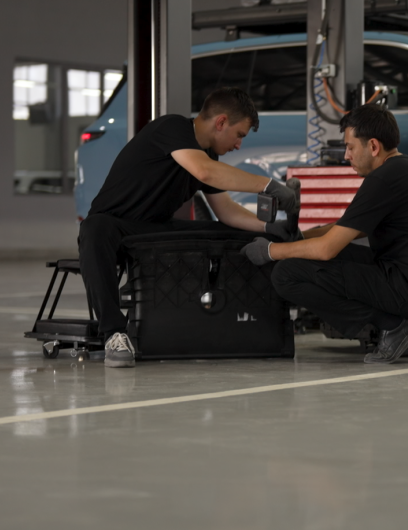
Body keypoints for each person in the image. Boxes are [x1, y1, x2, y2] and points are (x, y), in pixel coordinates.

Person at [79, 87, 300, 368]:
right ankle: (114, 334)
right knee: (94, 228)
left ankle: (248, 320)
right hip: (115, 227)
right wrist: (268, 185)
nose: (238, 145)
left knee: (225, 233)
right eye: (239, 135)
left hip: (154, 232)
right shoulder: (172, 128)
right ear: (221, 123)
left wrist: (269, 229)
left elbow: (227, 212)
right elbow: (204, 172)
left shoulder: (208, 155)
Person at [241, 104, 408, 364]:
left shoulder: (383, 179)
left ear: (374, 146)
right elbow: (347, 229)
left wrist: (269, 251)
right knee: (325, 254)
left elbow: (326, 250)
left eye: (351, 147)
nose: (346, 155)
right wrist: (300, 237)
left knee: (286, 274)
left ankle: (396, 324)